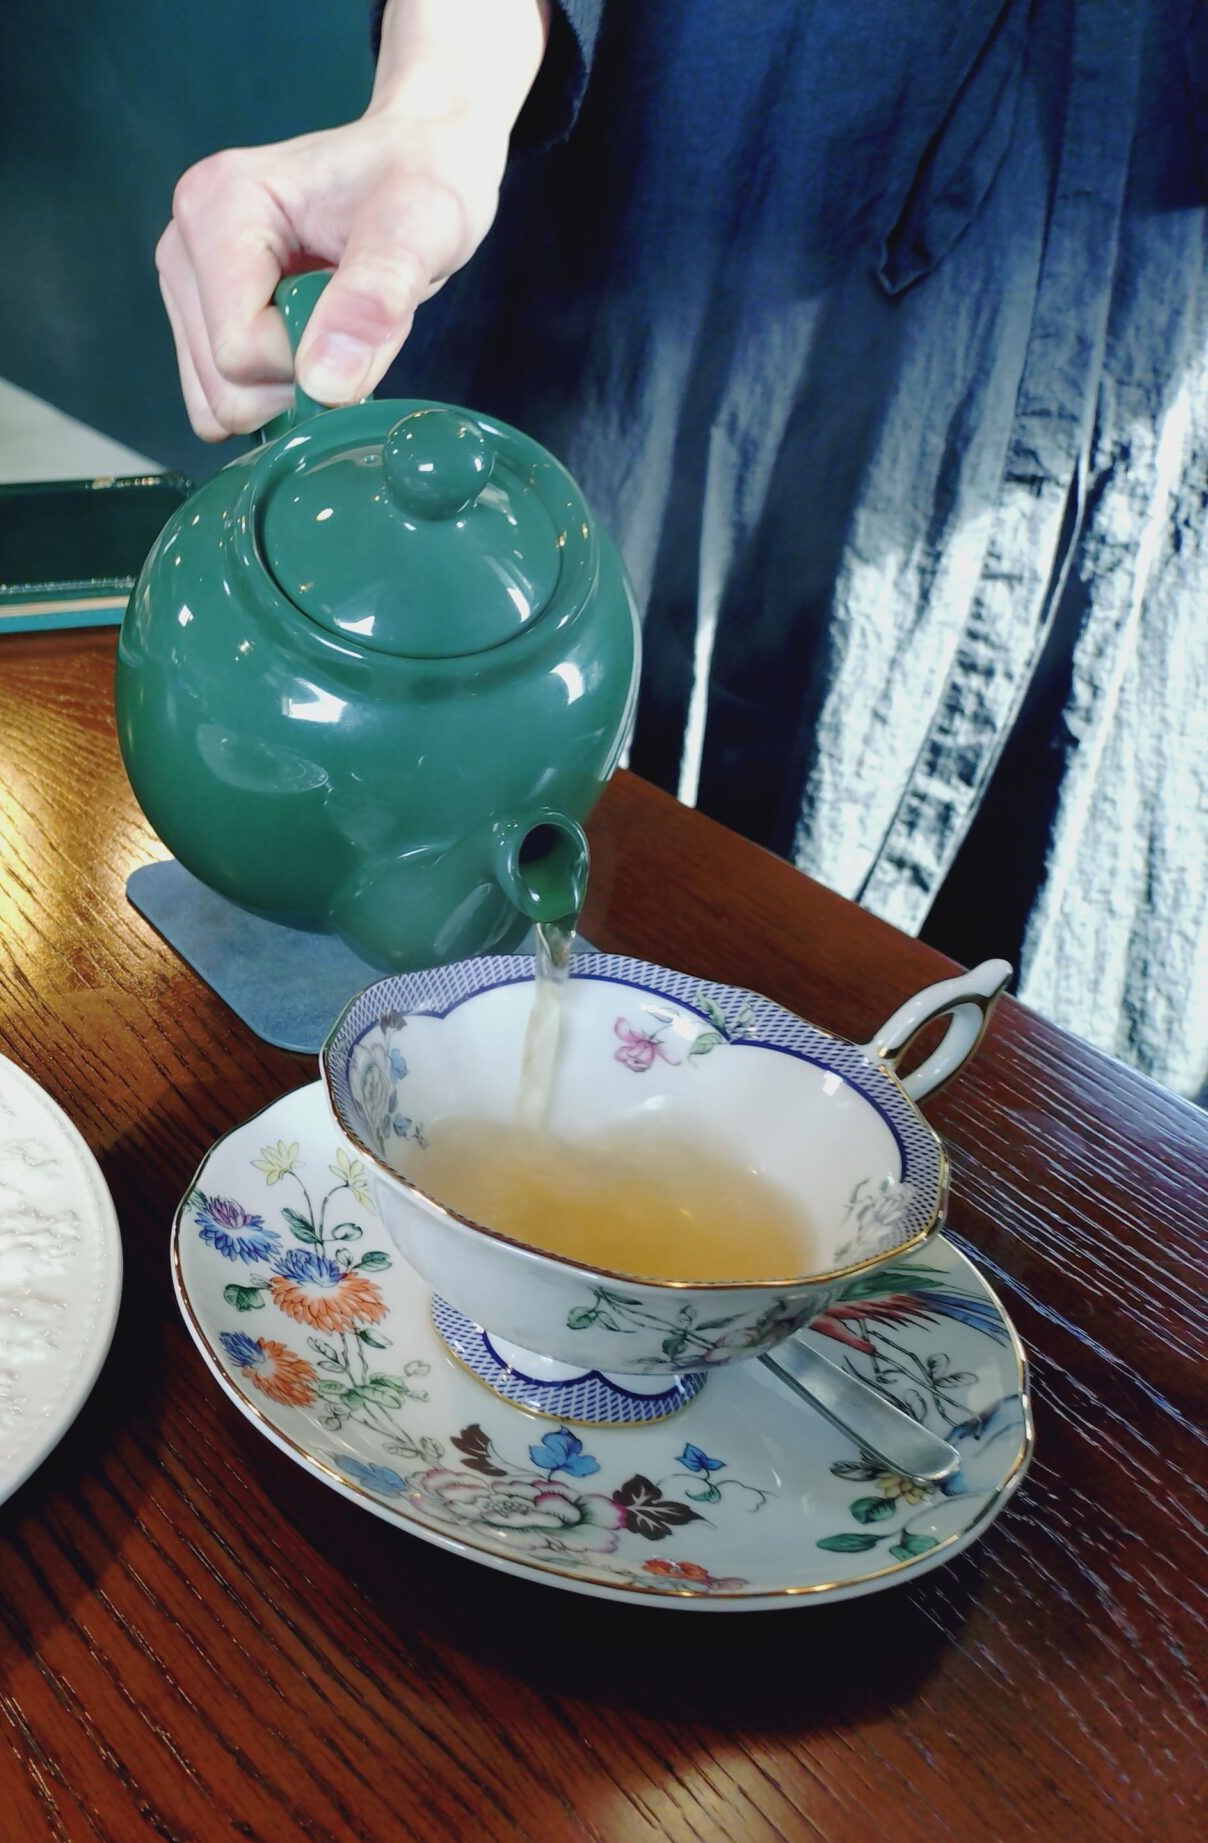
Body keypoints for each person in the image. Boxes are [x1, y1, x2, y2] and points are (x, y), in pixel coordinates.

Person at [157, 0, 1208, 1097]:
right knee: (632, 886)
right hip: (693, 219)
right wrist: (436, 105)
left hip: (1138, 388)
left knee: (1035, 1093)